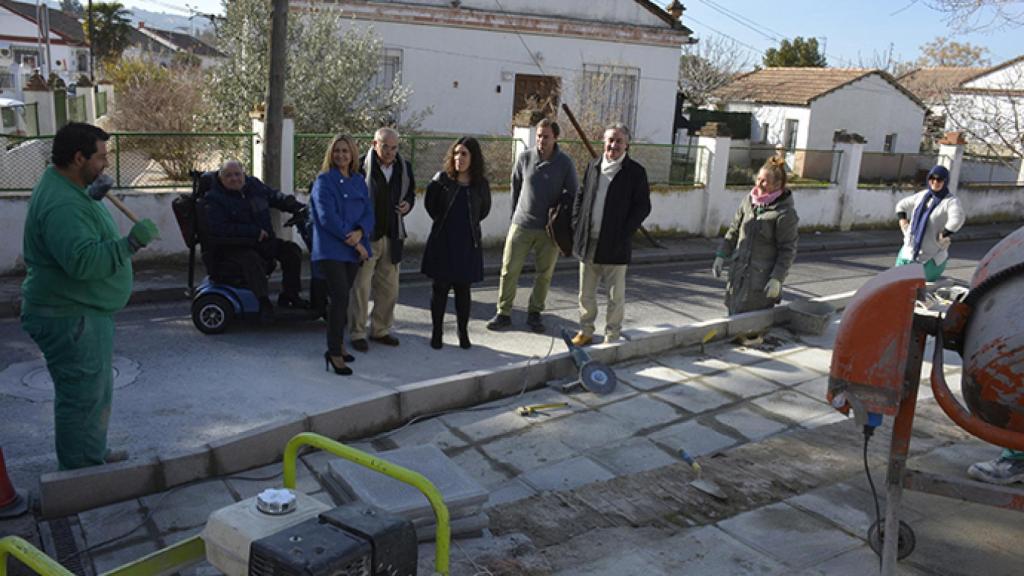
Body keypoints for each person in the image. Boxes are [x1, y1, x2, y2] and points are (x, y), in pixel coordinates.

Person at [20, 122, 160, 470]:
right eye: (100, 158)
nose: (105, 165)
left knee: (94, 393)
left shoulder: (69, 185)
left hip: (80, 312)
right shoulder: (63, 204)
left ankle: (91, 454)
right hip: (69, 315)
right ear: (78, 157)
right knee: (81, 397)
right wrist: (131, 243)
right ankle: (81, 474)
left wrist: (91, 196)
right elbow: (82, 262)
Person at [487, 118, 578, 333]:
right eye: (538, 136)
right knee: (509, 270)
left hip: (549, 230)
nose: (541, 140)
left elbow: (573, 194)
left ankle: (535, 313)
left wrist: (562, 220)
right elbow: (515, 188)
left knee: (544, 274)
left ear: (555, 137)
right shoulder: (525, 158)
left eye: (546, 136)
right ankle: (503, 313)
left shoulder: (565, 163)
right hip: (522, 224)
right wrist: (514, 217)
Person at [569, 123, 651, 346]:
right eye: (610, 140)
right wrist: (577, 223)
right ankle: (585, 331)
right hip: (589, 242)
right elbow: (581, 195)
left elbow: (643, 207)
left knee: (615, 297)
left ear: (627, 145)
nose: (613, 145)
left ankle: (612, 335)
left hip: (616, 245)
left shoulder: (635, 172)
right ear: (604, 142)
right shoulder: (593, 166)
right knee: (585, 294)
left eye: (619, 141)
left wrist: (625, 232)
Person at [204, 159, 308, 322]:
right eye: (228, 176)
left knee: (292, 251)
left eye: (238, 174)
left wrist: (295, 205)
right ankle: (264, 303)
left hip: (262, 241)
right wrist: (252, 232)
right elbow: (219, 229)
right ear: (221, 178)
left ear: (244, 174)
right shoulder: (214, 199)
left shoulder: (254, 185)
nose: (234, 179)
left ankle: (290, 296)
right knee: (252, 260)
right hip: (232, 247)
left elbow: (273, 196)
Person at [310, 134, 374, 376]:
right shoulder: (324, 181)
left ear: (353, 154)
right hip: (332, 249)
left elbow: (368, 213)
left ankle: (338, 345)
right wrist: (356, 243)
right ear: (330, 153)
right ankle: (334, 352)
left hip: (353, 247)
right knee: (339, 301)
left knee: (344, 299)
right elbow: (327, 218)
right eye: (337, 151)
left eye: (345, 151)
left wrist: (361, 233)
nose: (341, 155)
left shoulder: (358, 181)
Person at [348, 127, 416, 352]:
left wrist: (407, 204)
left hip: (393, 234)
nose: (390, 152)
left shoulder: (404, 168)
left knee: (389, 288)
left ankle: (381, 330)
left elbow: (410, 194)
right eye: (385, 146)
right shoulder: (359, 167)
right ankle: (357, 332)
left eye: (394, 148)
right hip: (366, 236)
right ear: (374, 144)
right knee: (361, 288)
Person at [421, 137, 492, 350]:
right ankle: (437, 333)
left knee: (463, 290)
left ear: (473, 158)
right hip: (443, 241)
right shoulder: (442, 180)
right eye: (456, 153)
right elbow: (430, 205)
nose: (459, 158)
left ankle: (463, 332)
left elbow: (484, 211)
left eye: (464, 154)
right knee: (439, 288)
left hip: (467, 242)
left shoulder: (481, 185)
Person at [712, 156, 799, 317]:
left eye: (764, 181)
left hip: (760, 282)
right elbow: (734, 231)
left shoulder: (785, 214)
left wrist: (777, 279)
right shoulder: (748, 201)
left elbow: (787, 250)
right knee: (732, 320)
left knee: (751, 327)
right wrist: (721, 255)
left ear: (777, 185)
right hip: (737, 277)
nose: (758, 184)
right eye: (758, 178)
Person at [894, 165, 965, 282]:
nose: (935, 182)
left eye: (939, 179)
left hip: (931, 259)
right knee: (897, 286)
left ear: (945, 181)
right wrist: (903, 222)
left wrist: (944, 234)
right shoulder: (923, 195)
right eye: (932, 178)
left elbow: (957, 219)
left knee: (919, 293)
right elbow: (901, 205)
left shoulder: (951, 201)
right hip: (907, 253)